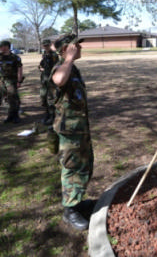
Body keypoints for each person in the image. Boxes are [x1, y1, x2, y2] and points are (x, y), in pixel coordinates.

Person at [50, 34, 94, 231]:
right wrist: (68, 58)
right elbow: (58, 80)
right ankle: (69, 210)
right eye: (75, 45)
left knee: (84, 165)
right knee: (72, 167)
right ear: (65, 49)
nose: (79, 48)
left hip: (79, 128)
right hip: (69, 130)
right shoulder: (60, 66)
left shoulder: (72, 68)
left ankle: (76, 201)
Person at [0, 40, 23, 123]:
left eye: (2, 46)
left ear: (7, 47)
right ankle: (10, 116)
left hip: (11, 81)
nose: (1, 48)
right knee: (5, 98)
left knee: (13, 98)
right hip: (2, 81)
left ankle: (15, 116)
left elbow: (19, 70)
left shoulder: (15, 58)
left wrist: (19, 81)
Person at [39, 39, 59, 125]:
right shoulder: (44, 54)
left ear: (50, 45)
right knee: (43, 97)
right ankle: (47, 114)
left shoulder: (53, 55)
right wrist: (40, 68)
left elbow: (56, 67)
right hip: (44, 79)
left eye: (47, 45)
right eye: (44, 46)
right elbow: (42, 64)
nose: (46, 47)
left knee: (51, 98)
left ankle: (52, 116)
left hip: (51, 80)